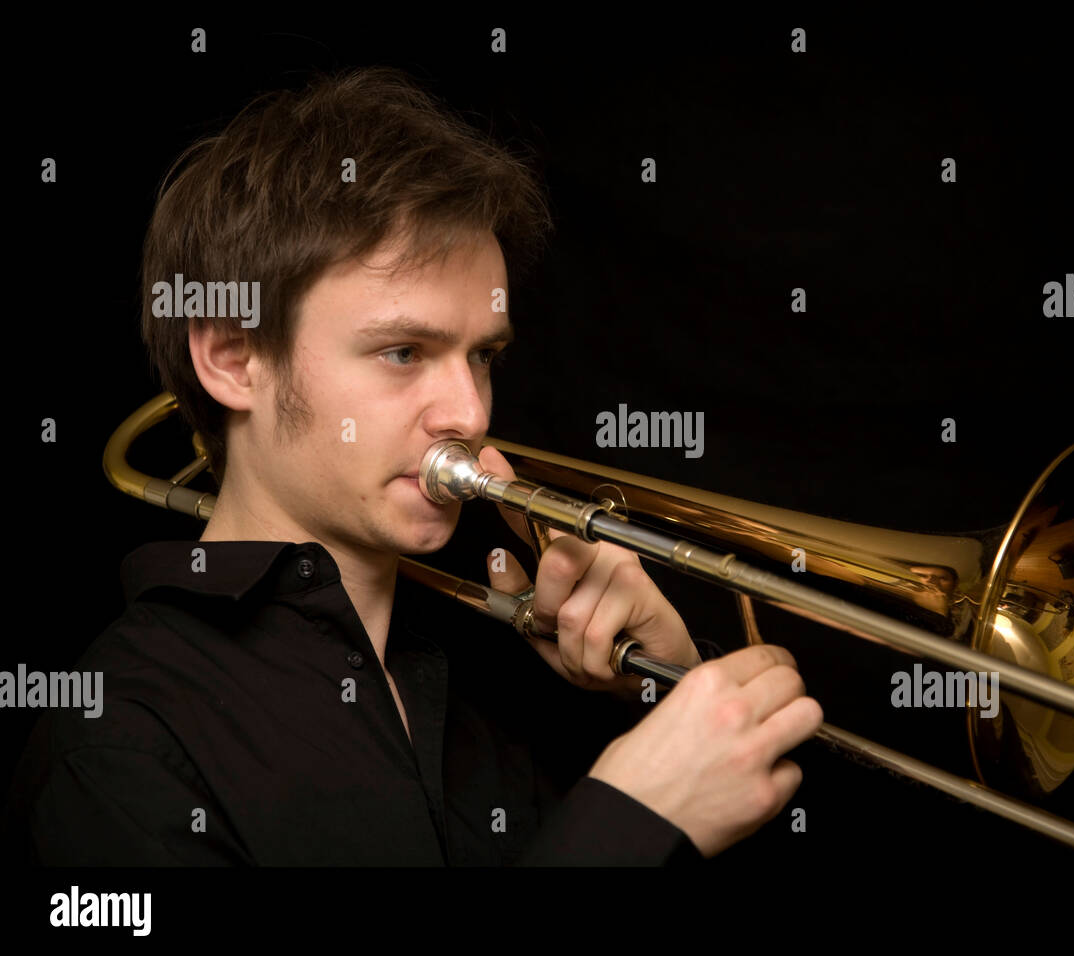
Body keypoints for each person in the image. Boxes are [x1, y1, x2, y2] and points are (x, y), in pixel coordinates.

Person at [2, 66, 822, 865]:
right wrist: (627, 826)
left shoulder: (502, 678)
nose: (468, 413)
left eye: (483, 356)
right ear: (233, 356)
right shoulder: (116, 743)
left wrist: (661, 685)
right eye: (403, 351)